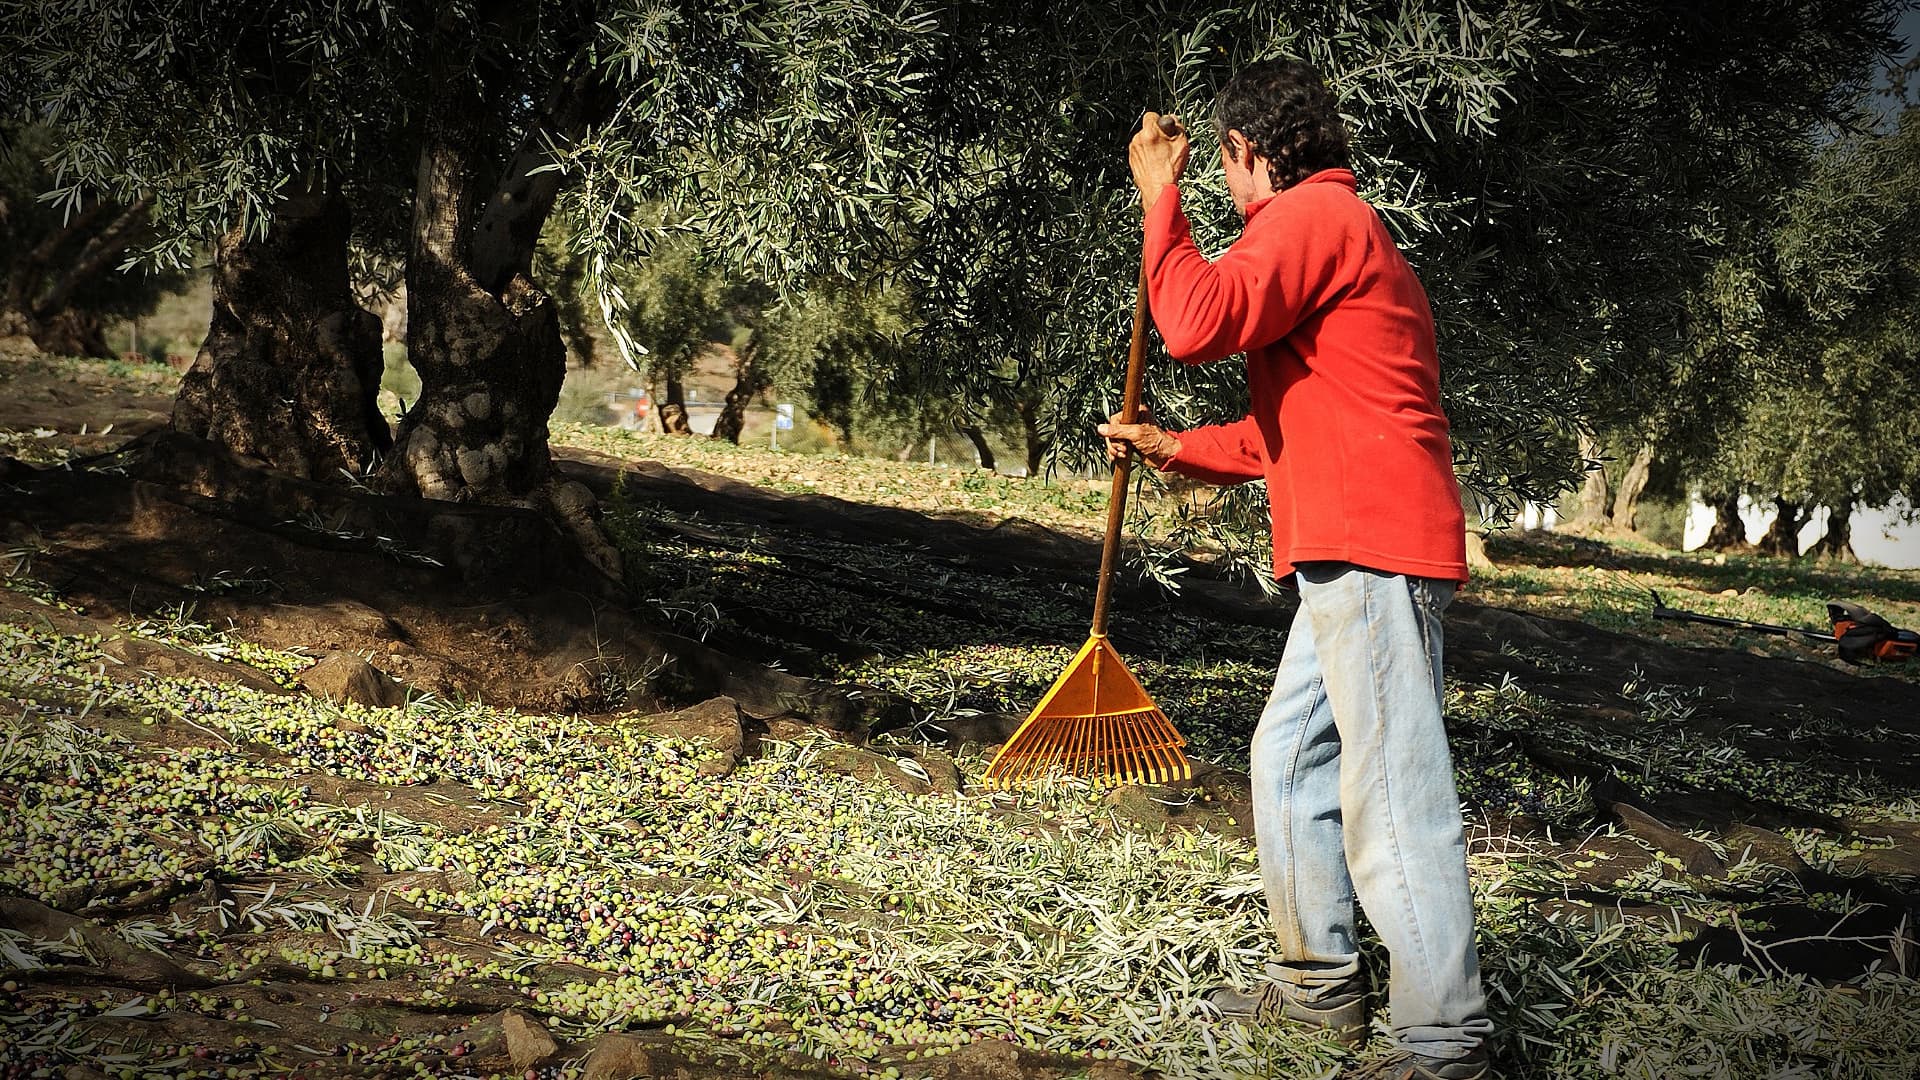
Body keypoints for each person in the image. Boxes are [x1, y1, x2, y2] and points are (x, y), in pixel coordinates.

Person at [1098, 59, 1494, 1080]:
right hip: (1353, 549)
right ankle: (1319, 992)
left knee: (1391, 794)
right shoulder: (1345, 234)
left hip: (1371, 552)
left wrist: (1158, 202)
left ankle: (1442, 1045)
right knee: (1287, 763)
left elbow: (1192, 322)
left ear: (1244, 154)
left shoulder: (1312, 222)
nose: (1226, 195)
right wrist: (1174, 448)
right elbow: (1295, 434)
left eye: (1222, 173)